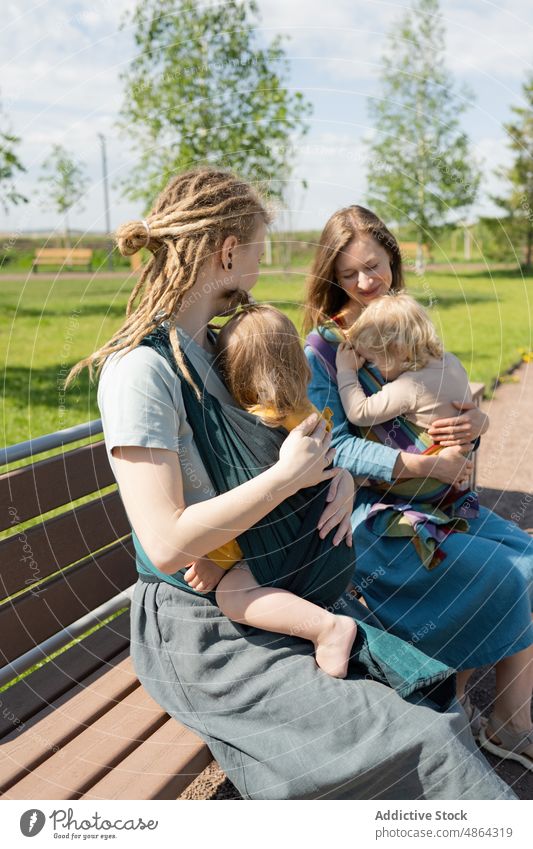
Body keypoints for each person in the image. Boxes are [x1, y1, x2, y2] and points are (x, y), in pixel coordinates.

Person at [67, 168, 517, 799]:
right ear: (229, 252)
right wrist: (287, 480)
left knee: (429, 698)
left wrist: (329, 474)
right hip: (208, 625)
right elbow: (167, 544)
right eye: (257, 247)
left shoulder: (220, 344)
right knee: (425, 744)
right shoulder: (142, 371)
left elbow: (285, 431)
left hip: (286, 587)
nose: (261, 262)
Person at [303, 204, 533, 770]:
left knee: (527, 553)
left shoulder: (404, 329)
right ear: (331, 278)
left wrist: (474, 426)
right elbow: (331, 448)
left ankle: (497, 717)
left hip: (434, 501)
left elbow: (443, 424)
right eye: (350, 273)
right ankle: (488, 718)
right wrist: (419, 469)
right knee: (506, 574)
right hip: (367, 516)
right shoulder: (323, 352)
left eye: (374, 266)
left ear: (393, 262)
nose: (364, 283)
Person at [183, 303, 358, 679]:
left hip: (298, 552)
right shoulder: (311, 417)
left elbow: (254, 506)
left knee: (232, 596)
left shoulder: (261, 430)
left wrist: (219, 559)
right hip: (332, 547)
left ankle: (327, 630)